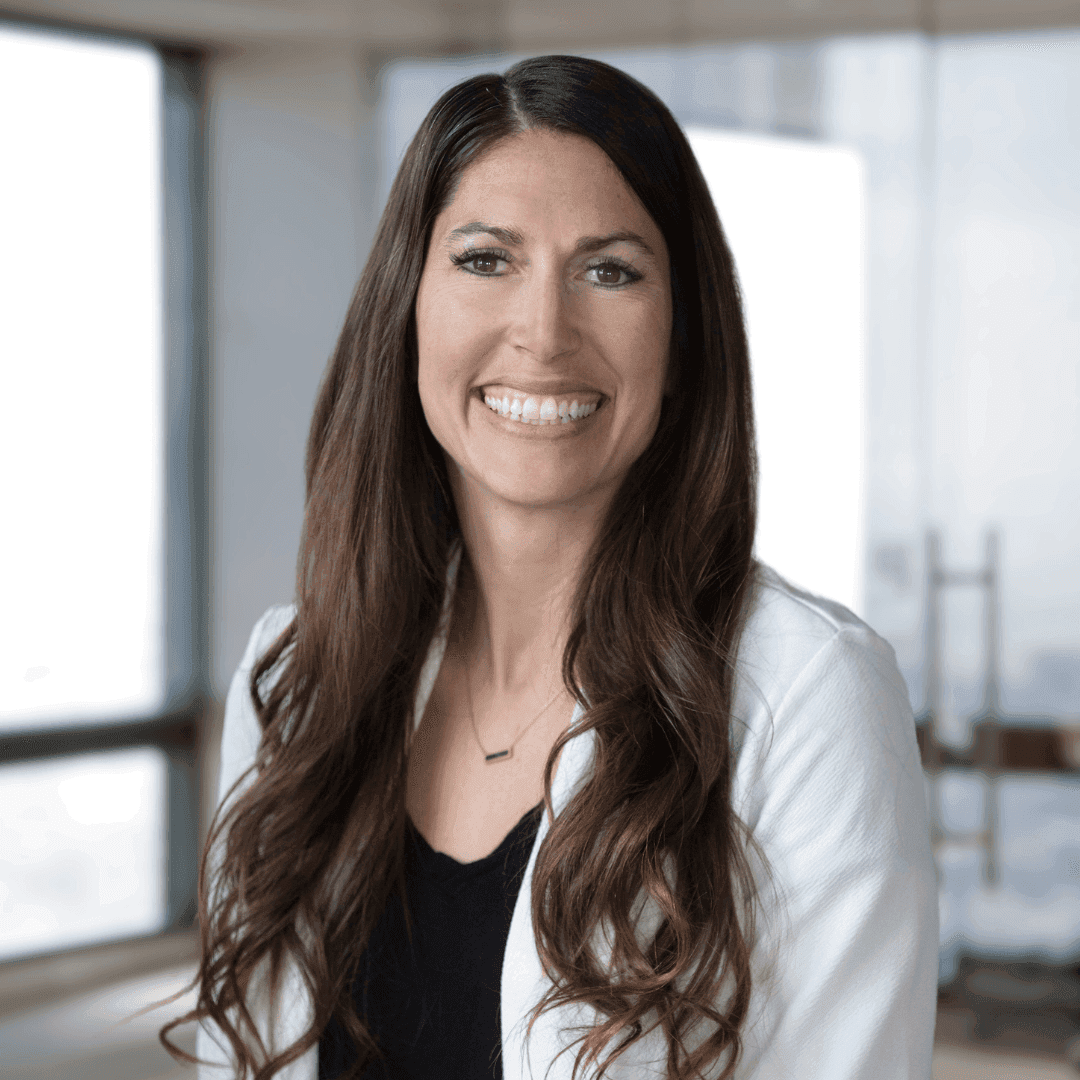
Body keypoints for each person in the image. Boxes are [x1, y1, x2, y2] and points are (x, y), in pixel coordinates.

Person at [164, 54, 938, 1080]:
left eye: (609, 269)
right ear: (408, 306)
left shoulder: (808, 697)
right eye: (486, 260)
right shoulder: (297, 678)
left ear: (683, 337)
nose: (542, 332)